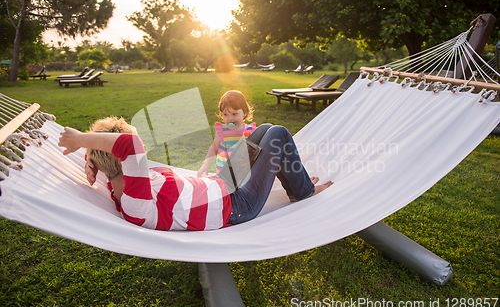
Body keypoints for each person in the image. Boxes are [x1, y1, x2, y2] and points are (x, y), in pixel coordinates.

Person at [58, 116, 333, 231]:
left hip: (223, 183)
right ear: (123, 161)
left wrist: (89, 159)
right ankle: (303, 191)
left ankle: (298, 184)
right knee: (277, 134)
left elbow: (114, 159)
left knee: (263, 129)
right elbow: (129, 146)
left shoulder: (123, 182)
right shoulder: (134, 200)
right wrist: (83, 140)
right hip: (237, 206)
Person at [197, 90, 256, 177]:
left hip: (243, 174)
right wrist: (205, 165)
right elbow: (214, 148)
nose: (230, 118)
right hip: (224, 174)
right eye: (225, 114)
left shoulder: (251, 131)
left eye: (234, 114)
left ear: (245, 113)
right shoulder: (222, 131)